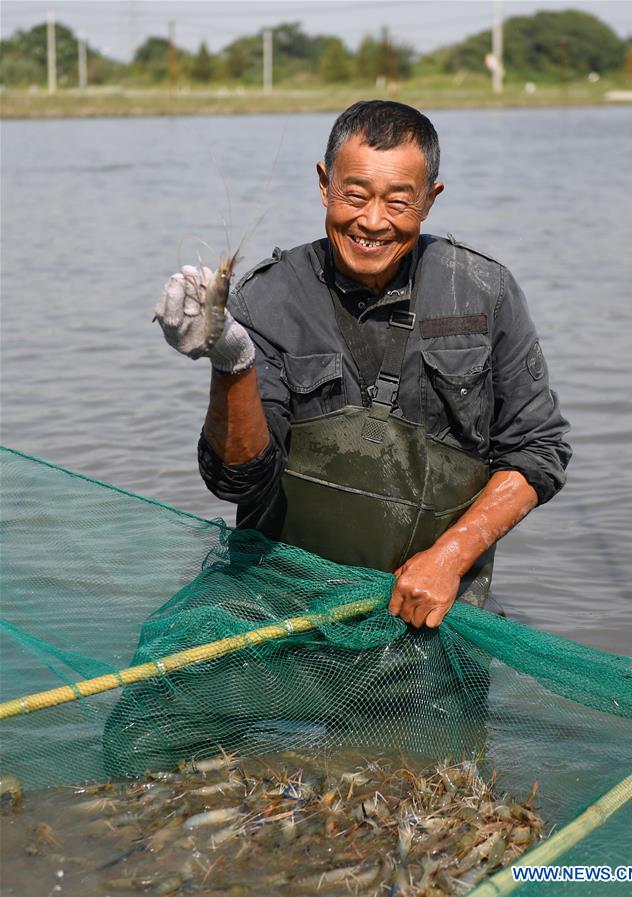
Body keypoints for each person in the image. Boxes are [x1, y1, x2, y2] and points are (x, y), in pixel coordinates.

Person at [154, 100, 571, 629]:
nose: (372, 222)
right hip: (279, 607)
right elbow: (237, 483)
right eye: (354, 195)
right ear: (324, 184)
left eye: (398, 202)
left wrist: (449, 558)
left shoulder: (485, 291)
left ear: (430, 199)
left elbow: (538, 452)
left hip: (430, 611)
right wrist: (232, 364)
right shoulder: (266, 300)